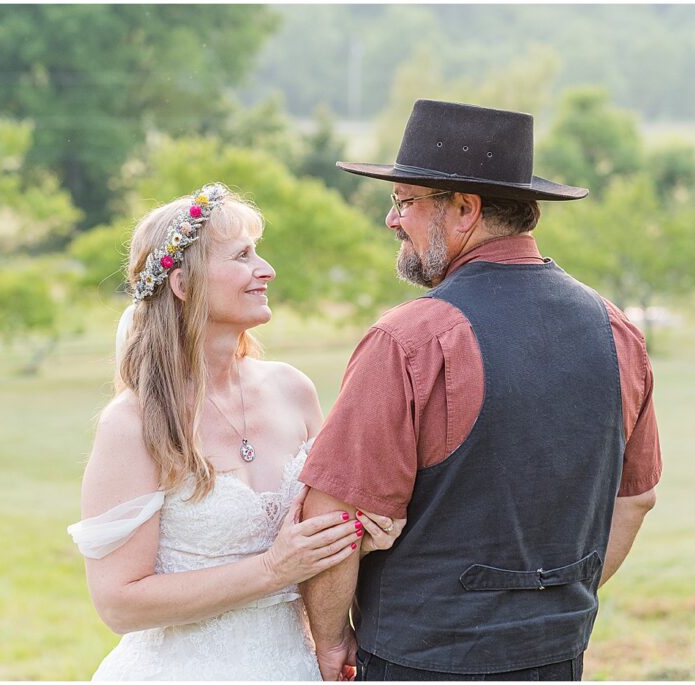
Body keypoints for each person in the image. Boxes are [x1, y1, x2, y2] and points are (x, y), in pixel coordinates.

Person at [298, 100, 662, 681]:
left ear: (464, 209)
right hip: (557, 657)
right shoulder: (615, 329)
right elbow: (635, 500)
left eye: (405, 201)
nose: (393, 220)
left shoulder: (410, 339)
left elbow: (334, 519)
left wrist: (331, 641)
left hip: (415, 663)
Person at [67, 183, 404, 680]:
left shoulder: (293, 390)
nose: (266, 270)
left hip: (294, 666)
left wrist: (356, 540)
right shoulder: (134, 422)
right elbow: (120, 604)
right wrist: (273, 569)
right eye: (243, 256)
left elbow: (315, 537)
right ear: (182, 284)